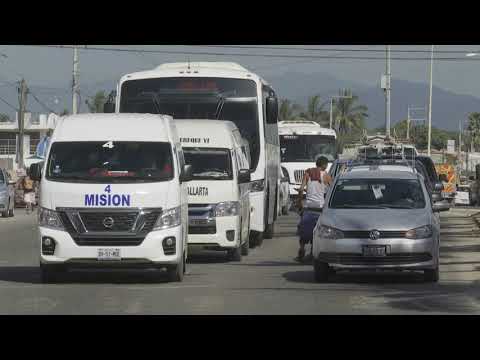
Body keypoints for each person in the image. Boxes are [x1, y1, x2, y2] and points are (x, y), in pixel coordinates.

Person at [295, 156, 333, 262]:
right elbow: (332, 189)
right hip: (320, 208)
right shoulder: (325, 175)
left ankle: (302, 249)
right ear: (324, 165)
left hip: (308, 207)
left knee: (303, 228)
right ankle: (313, 252)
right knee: (316, 231)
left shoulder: (307, 173)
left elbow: (301, 189)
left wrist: (299, 203)